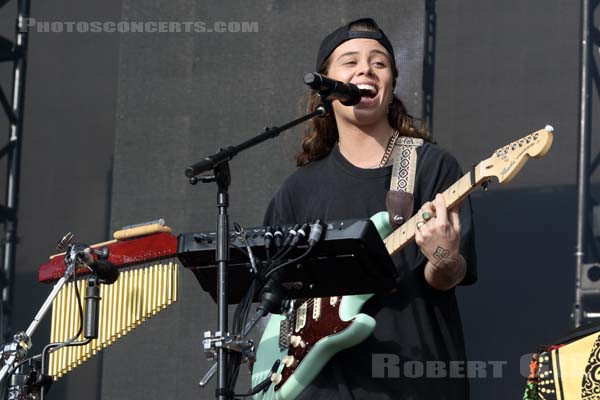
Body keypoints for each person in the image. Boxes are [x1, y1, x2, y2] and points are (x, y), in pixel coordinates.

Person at [263, 18, 477, 400]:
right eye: (350, 61)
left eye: (379, 62)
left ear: (391, 85)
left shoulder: (430, 167)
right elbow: (274, 298)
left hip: (415, 383)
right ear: (325, 89)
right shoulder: (297, 190)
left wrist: (442, 255)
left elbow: (447, 275)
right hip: (320, 387)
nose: (366, 68)